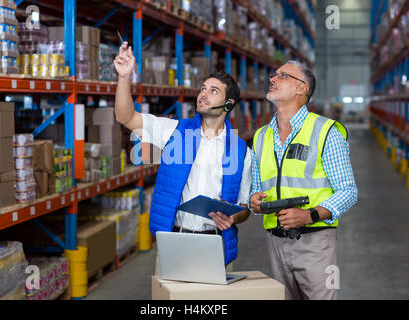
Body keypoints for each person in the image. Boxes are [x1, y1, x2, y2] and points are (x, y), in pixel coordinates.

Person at [113, 42, 252, 270]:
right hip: (174, 242)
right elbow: (125, 116)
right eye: (203, 89)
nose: (203, 95)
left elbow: (245, 208)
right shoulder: (174, 131)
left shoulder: (241, 151)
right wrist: (124, 77)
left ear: (229, 104)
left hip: (217, 246)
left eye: (213, 91)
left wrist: (233, 217)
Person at [248, 60, 358, 300]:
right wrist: (254, 201)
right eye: (273, 75)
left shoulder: (325, 131)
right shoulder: (260, 136)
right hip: (275, 241)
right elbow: (256, 189)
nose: (273, 79)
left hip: (315, 241)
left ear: (302, 89)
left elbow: (348, 191)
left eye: (283, 76)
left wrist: (310, 215)